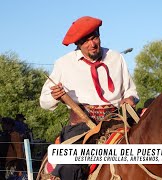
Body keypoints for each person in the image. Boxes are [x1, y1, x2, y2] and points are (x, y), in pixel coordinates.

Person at [39, 16, 139, 180]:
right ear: (77, 44)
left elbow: (131, 91)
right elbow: (44, 101)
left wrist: (130, 99)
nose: (92, 44)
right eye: (85, 41)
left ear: (99, 35)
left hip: (116, 120)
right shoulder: (64, 63)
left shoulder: (116, 57)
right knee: (69, 165)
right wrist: (54, 96)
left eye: (94, 37)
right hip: (81, 125)